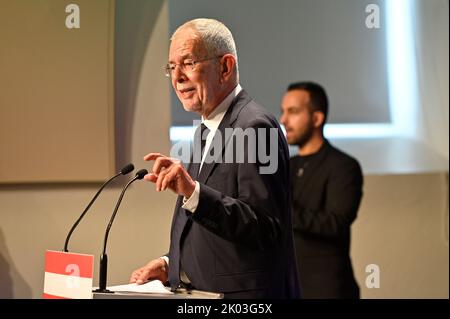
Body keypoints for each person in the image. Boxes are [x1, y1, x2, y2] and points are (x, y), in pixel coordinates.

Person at [129, 18, 300, 299]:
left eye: (188, 63)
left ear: (225, 67)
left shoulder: (255, 126)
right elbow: (216, 235)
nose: (177, 77)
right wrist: (171, 264)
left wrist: (193, 192)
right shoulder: (207, 130)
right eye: (171, 67)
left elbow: (265, 229)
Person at [279, 82, 363, 299]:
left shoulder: (343, 166)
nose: (283, 120)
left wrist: (281, 211)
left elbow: (335, 223)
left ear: (317, 118)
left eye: (293, 112)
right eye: (283, 111)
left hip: (327, 290)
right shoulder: (287, 166)